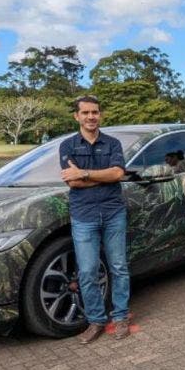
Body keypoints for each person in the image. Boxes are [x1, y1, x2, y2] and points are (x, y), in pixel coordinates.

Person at [59, 95, 132, 344]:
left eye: (95, 112)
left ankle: (121, 317)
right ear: (76, 116)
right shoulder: (67, 146)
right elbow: (73, 181)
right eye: (86, 113)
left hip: (113, 212)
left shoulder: (113, 143)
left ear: (100, 115)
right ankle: (96, 320)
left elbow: (117, 173)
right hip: (84, 215)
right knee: (88, 271)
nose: (91, 117)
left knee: (119, 267)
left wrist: (85, 173)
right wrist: (96, 176)